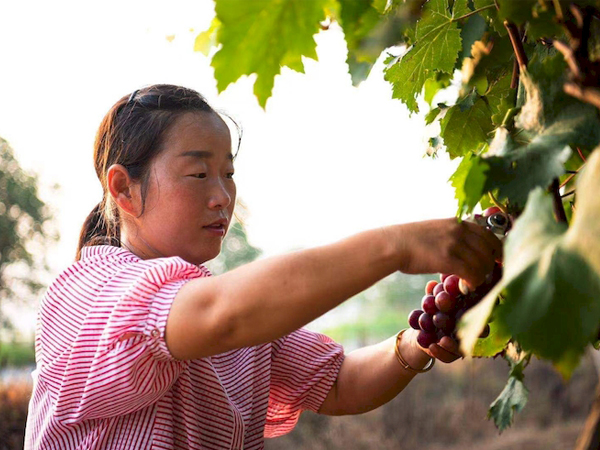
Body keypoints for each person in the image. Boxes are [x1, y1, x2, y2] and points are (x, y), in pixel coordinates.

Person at [24, 84, 502, 450]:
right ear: (124, 189)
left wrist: (421, 339)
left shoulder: (233, 320)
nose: (222, 196)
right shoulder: (89, 290)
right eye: (198, 173)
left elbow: (338, 383)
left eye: (229, 174)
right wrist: (397, 246)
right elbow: (223, 312)